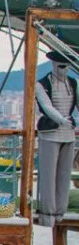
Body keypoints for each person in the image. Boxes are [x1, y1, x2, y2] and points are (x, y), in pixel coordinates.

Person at [35, 49, 78, 227]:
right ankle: (47, 213)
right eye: (61, 66)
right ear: (53, 65)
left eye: (67, 66)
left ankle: (61, 210)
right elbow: (46, 106)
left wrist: (67, 121)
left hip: (68, 133)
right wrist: (61, 120)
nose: (64, 70)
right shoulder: (42, 84)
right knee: (48, 173)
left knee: (64, 174)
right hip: (50, 132)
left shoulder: (73, 83)